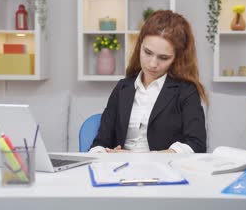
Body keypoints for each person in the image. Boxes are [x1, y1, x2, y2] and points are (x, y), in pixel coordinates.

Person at [89, 10, 208, 153]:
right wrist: (102, 153)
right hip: (120, 170)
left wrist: (141, 157)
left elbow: (197, 144)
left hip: (163, 171)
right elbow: (100, 143)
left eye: (163, 58)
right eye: (147, 52)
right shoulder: (122, 88)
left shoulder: (186, 91)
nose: (152, 64)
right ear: (140, 46)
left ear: (177, 58)